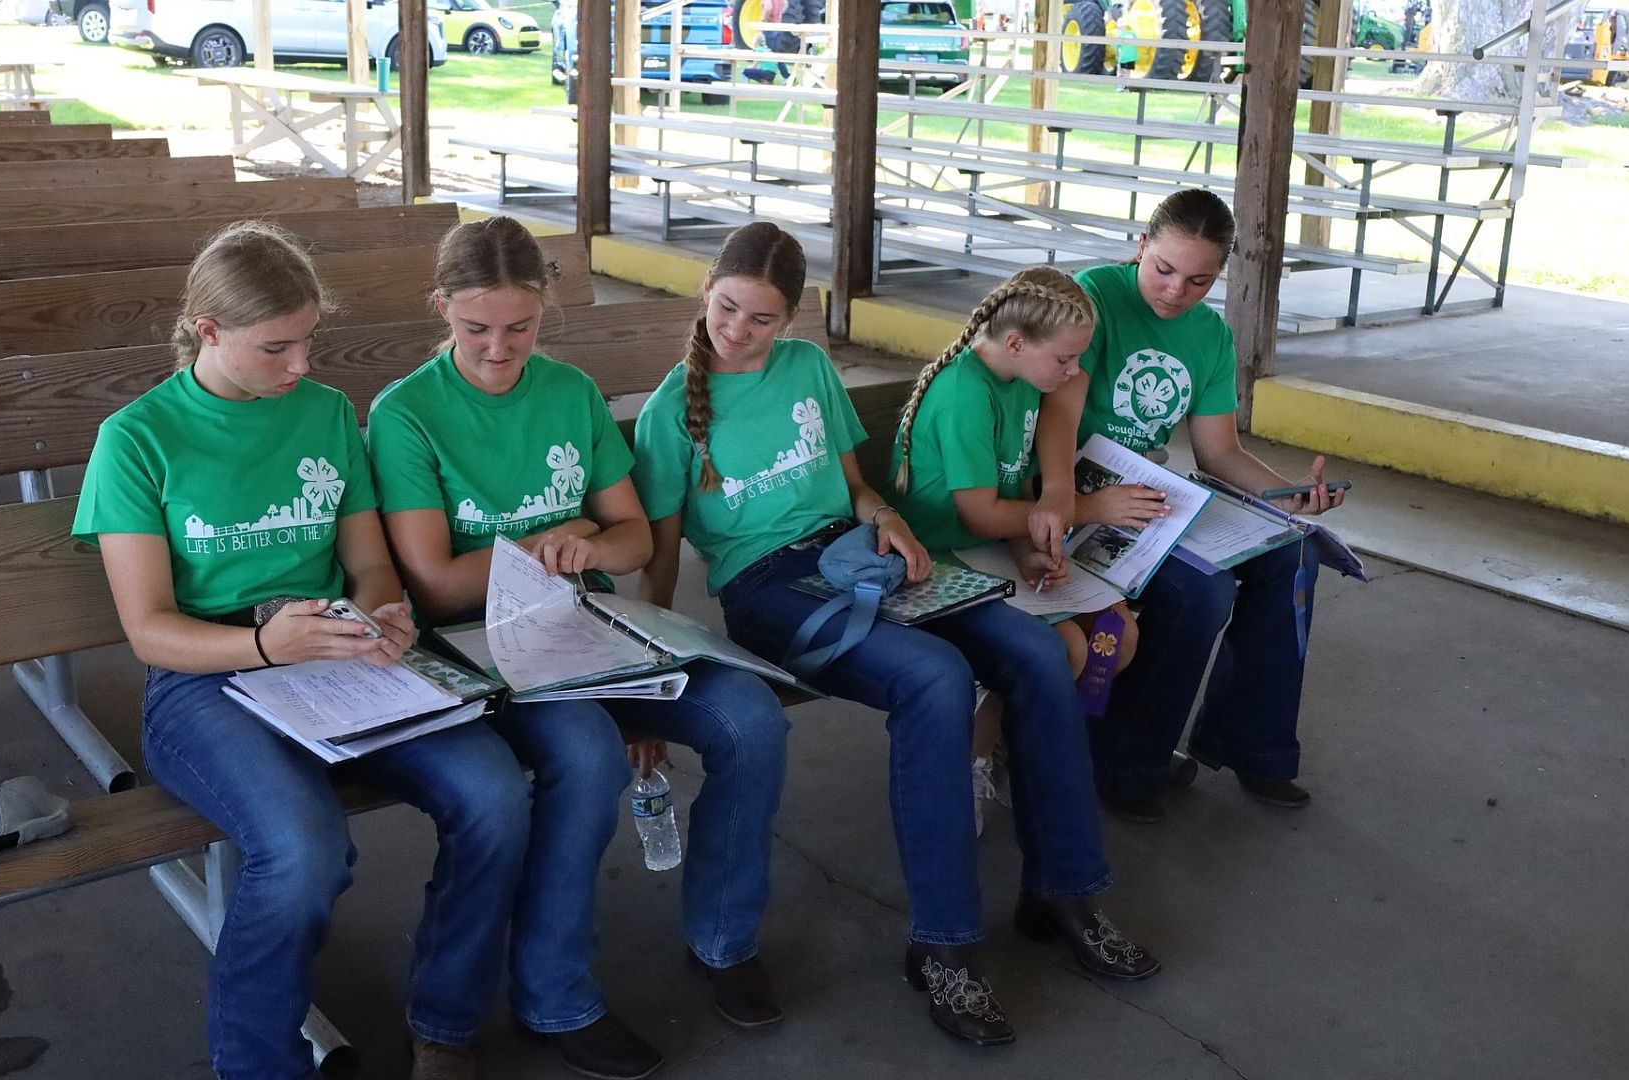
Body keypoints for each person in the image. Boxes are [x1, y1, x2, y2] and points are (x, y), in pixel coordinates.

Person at [633, 223, 1157, 1051]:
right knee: (935, 679)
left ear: (792, 319)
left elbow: (854, 485)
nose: (739, 330)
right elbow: (661, 560)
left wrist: (890, 523)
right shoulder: (672, 413)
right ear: (706, 292)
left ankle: (1065, 892)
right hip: (769, 588)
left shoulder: (805, 368)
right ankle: (944, 946)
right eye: (729, 309)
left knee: (1033, 652)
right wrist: (651, 680)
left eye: (763, 318)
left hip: (860, 554)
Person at [73, 221, 529, 1080]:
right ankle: (256, 1064)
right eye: (276, 347)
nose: (303, 367)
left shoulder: (322, 414)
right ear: (207, 332)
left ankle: (446, 1026)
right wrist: (262, 643)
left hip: (330, 645)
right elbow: (149, 628)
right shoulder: (137, 439)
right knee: (303, 844)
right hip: (205, 676)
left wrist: (381, 614)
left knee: (494, 793)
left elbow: (367, 564)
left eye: (309, 341)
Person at [369, 216, 791, 1080]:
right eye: (476, 328)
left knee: (750, 718)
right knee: (586, 757)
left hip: (582, 629)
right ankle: (554, 994)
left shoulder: (568, 392)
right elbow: (440, 581)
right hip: (474, 646)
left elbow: (634, 540)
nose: (498, 349)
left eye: (519, 327)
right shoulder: (407, 413)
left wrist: (592, 548)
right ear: (441, 308)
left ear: (545, 311)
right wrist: (549, 540)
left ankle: (723, 938)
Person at [1067, 188, 1347, 824]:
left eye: (1198, 280)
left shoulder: (1210, 335)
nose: (1175, 292)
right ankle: (1125, 761)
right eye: (1163, 270)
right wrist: (1087, 500)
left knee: (1292, 551)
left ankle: (1251, 745)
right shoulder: (1092, 299)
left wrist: (1288, 495)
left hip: (1148, 499)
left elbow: (1218, 452)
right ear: (1141, 245)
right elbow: (1047, 426)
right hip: (1079, 499)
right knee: (1201, 593)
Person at [882, 266, 1139, 835]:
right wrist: (1080, 512)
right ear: (1018, 342)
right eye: (1066, 360)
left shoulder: (1026, 378)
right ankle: (975, 759)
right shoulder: (963, 393)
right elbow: (977, 512)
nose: (1075, 373)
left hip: (994, 548)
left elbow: (1016, 484)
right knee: (1066, 649)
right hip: (940, 560)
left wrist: (1029, 548)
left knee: (1114, 639)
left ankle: (1023, 747)